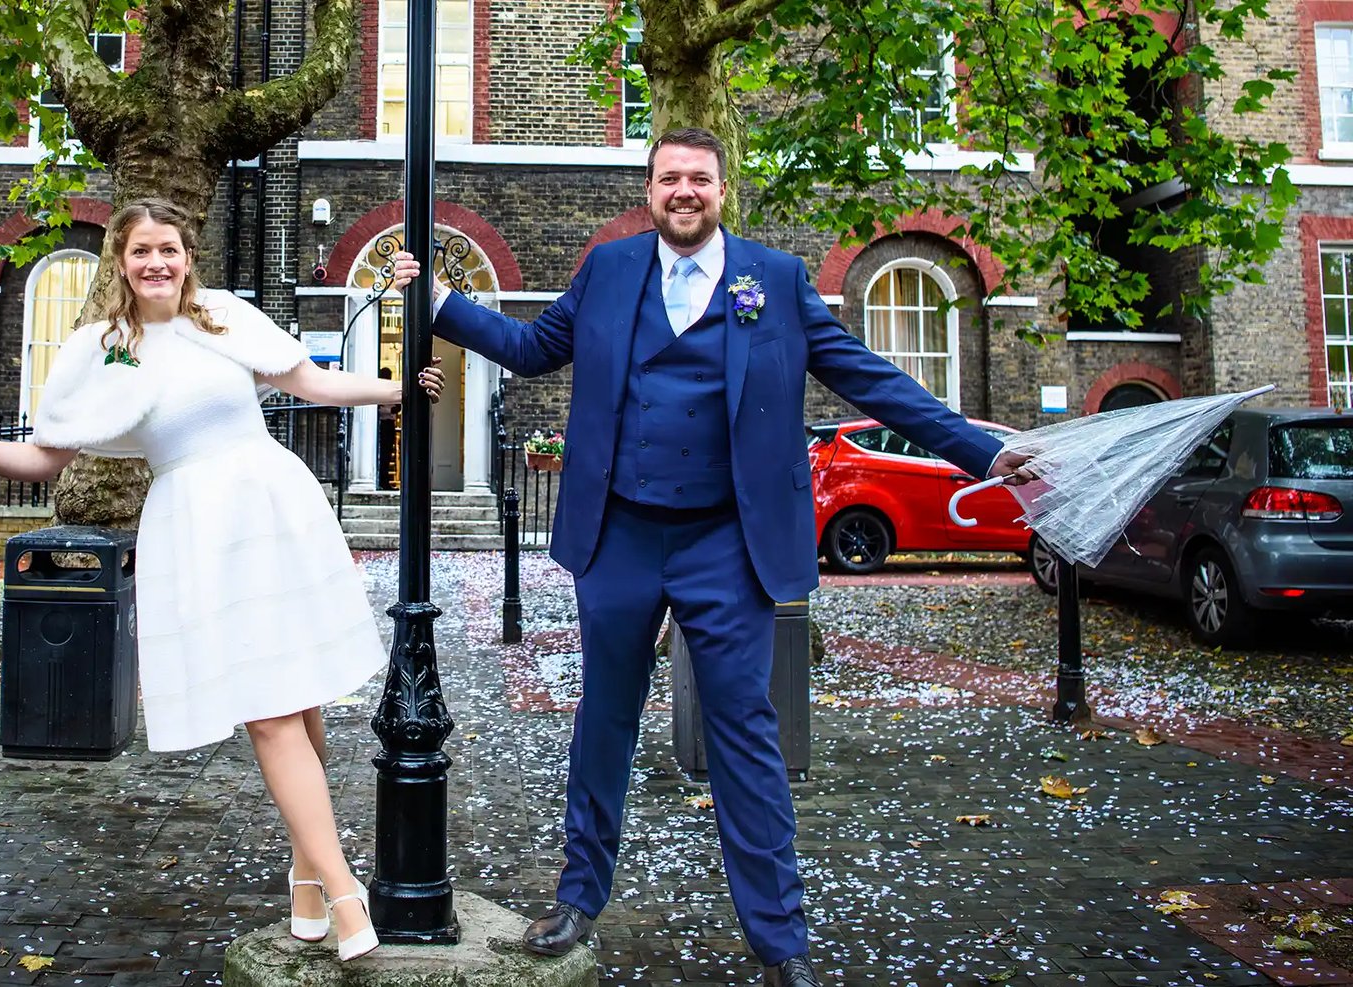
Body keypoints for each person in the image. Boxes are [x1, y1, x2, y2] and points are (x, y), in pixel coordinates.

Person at [392, 128, 1034, 985]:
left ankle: (782, 943)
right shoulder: (610, 269)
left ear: (721, 189)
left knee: (746, 736)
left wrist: (980, 453)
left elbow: (871, 379)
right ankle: (579, 897)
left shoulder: (776, 280)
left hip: (726, 545)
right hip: (620, 537)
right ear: (649, 190)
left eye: (699, 177)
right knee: (604, 720)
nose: (683, 190)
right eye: (669, 178)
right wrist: (439, 304)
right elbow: (534, 348)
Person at [0, 198, 443, 963]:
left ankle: (306, 875)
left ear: (188, 255)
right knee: (268, 710)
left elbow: (311, 385)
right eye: (140, 252)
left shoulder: (224, 316)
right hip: (193, 523)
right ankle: (345, 885)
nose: (156, 263)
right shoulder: (99, 347)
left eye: (169, 249)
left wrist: (395, 390)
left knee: (296, 695)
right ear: (119, 262)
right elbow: (43, 458)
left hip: (268, 501)